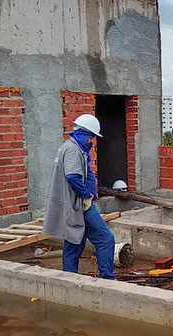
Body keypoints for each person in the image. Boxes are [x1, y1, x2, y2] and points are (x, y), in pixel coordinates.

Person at [43, 114, 116, 279]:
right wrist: (85, 196)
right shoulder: (73, 150)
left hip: (75, 204)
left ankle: (69, 281)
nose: (92, 142)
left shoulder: (73, 147)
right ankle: (107, 280)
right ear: (84, 134)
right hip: (79, 204)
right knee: (106, 238)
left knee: (75, 241)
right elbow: (73, 176)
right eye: (91, 137)